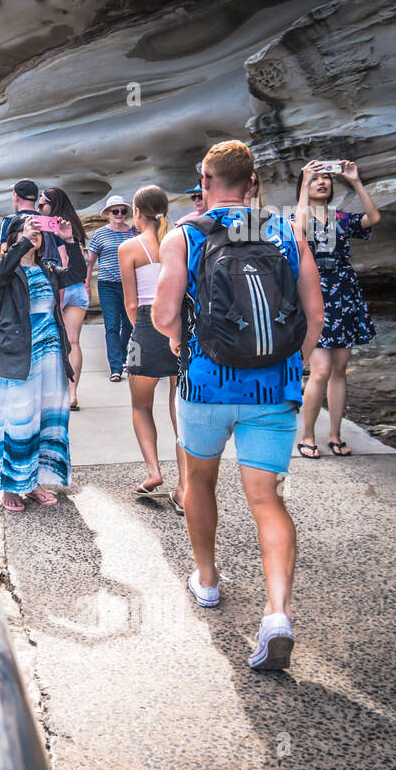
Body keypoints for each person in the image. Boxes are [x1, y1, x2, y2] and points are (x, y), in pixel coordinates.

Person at [152, 139, 324, 671]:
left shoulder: (186, 234)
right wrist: (293, 362)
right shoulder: (286, 231)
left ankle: (206, 580)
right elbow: (315, 313)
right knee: (267, 499)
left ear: (204, 183)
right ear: (253, 183)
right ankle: (277, 615)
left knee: (198, 483)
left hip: (205, 384)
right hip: (272, 388)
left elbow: (162, 314)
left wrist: (182, 343)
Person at [293, 160, 381, 459]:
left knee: (340, 370)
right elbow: (300, 230)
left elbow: (373, 217)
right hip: (315, 294)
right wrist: (304, 182)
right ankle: (306, 435)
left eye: (327, 179)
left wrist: (355, 181)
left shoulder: (341, 218)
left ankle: (335, 434)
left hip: (344, 294)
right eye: (316, 178)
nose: (323, 182)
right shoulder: (295, 216)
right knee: (319, 370)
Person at [0, 215, 75, 511]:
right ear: (14, 238)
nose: (34, 234)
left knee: (43, 416)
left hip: (49, 353)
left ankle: (33, 482)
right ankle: (11, 485)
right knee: (20, 418)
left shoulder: (47, 269)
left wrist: (68, 240)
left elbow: (76, 273)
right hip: (20, 354)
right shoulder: (7, 271)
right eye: (27, 230)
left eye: (38, 230)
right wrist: (24, 238)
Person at [119, 185, 186, 510]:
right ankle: (185, 486)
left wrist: (142, 333)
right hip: (180, 326)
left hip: (146, 326)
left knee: (140, 406)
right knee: (180, 411)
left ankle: (153, 472)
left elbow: (130, 304)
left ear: (137, 213)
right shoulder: (181, 240)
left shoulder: (130, 247)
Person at [38, 187, 89, 410]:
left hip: (60, 285)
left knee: (55, 341)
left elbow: (62, 261)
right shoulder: (72, 226)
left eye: (42, 205)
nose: (40, 210)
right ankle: (72, 393)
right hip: (77, 288)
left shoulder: (52, 227)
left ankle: (54, 392)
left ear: (53, 205)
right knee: (74, 341)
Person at [86, 194, 139, 381]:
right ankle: (115, 367)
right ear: (107, 213)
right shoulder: (100, 234)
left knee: (130, 324)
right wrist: (86, 283)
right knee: (112, 325)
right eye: (115, 211)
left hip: (130, 284)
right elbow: (90, 262)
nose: (119, 214)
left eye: (122, 211)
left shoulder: (134, 233)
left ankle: (124, 357)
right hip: (107, 285)